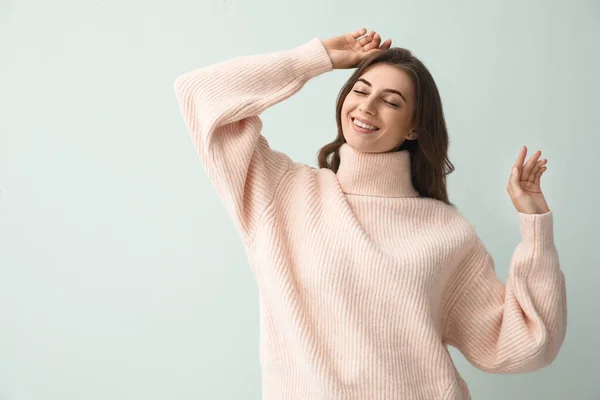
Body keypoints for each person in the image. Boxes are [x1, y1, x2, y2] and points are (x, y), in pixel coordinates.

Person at [173, 28, 567, 400]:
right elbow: (199, 93)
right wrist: (317, 58)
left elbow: (525, 345)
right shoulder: (281, 194)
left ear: (414, 128)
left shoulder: (447, 231)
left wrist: (536, 228)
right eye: (360, 91)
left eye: (392, 101)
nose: (368, 106)